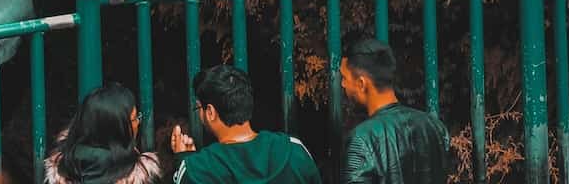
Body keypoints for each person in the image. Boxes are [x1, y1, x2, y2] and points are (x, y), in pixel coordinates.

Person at [170, 65, 320, 184]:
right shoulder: (294, 151)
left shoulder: (197, 170)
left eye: (198, 108)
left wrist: (184, 160)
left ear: (210, 112)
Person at [339, 39, 448, 184]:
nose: (342, 84)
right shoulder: (435, 127)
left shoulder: (361, 139)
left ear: (361, 84)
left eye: (344, 78)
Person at [47, 80, 162, 184]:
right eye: (134, 118)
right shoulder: (142, 175)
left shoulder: (59, 171)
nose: (138, 123)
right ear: (118, 128)